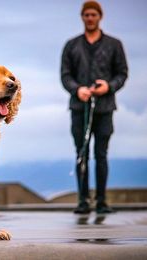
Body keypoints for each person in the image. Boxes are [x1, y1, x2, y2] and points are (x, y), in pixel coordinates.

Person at [61, 1, 128, 214]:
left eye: (93, 14)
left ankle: (101, 201)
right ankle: (83, 201)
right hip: (79, 109)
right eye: (86, 15)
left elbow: (122, 73)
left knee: (101, 154)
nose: (90, 18)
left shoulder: (114, 44)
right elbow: (65, 76)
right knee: (81, 153)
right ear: (82, 17)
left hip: (105, 108)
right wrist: (77, 89)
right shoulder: (71, 45)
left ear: (100, 17)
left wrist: (109, 86)